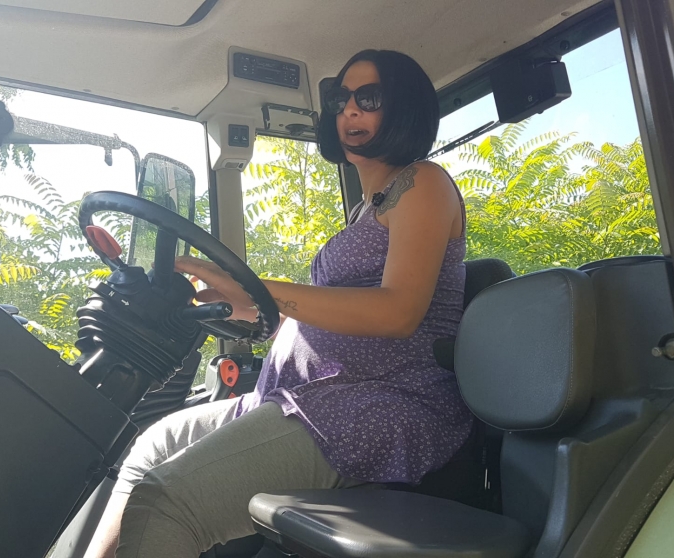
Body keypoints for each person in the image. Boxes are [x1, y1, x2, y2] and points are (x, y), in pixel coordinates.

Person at [85, 49, 473, 558]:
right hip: (300, 398)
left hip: (375, 404)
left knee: (166, 500)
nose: (349, 109)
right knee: (151, 448)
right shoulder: (365, 211)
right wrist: (225, 301)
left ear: (405, 108)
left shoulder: (424, 183)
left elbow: (398, 312)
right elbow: (308, 315)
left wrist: (259, 289)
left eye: (370, 98)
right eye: (340, 99)